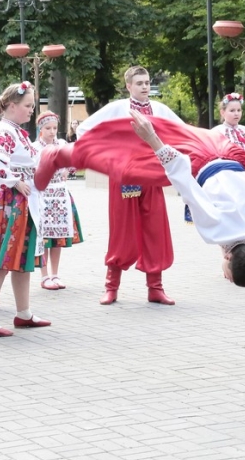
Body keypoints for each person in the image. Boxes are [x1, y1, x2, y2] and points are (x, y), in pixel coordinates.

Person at [35, 112, 245, 287]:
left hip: (234, 154)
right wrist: (153, 139)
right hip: (200, 156)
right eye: (228, 276)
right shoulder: (217, 230)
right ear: (229, 261)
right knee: (131, 163)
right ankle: (60, 154)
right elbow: (183, 178)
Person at [75, 65, 183, 306]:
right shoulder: (116, 109)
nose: (145, 87)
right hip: (123, 178)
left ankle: (155, 288)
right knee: (122, 232)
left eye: (147, 82)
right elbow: (84, 129)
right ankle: (111, 287)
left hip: (151, 177)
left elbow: (182, 132)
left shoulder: (161, 109)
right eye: (139, 83)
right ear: (128, 86)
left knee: (155, 231)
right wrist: (108, 157)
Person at [0, 81, 51, 337]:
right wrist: (15, 181)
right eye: (28, 106)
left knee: (20, 256)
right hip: (9, 201)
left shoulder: (14, 131)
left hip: (18, 200)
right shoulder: (5, 131)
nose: (31, 110)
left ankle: (23, 312)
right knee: (2, 258)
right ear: (12, 106)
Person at [32, 111, 84, 290]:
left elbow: (76, 159)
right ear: (40, 129)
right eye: (48, 128)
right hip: (43, 196)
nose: (52, 131)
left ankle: (55, 274)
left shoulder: (61, 144)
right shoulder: (34, 148)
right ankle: (44, 275)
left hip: (60, 195)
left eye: (54, 128)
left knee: (57, 238)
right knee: (44, 237)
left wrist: (67, 170)